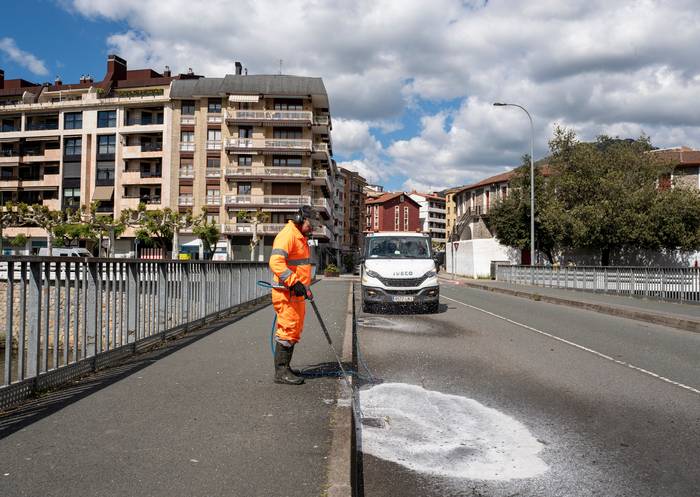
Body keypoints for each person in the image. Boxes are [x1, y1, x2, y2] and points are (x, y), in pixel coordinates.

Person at [268, 206, 315, 385]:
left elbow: (300, 266)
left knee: (294, 329)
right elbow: (275, 262)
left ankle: (285, 367)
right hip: (286, 292)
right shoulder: (288, 235)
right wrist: (294, 282)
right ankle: (281, 372)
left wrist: (305, 287)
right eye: (311, 224)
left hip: (296, 292)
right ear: (300, 219)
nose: (313, 228)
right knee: (288, 328)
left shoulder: (299, 236)